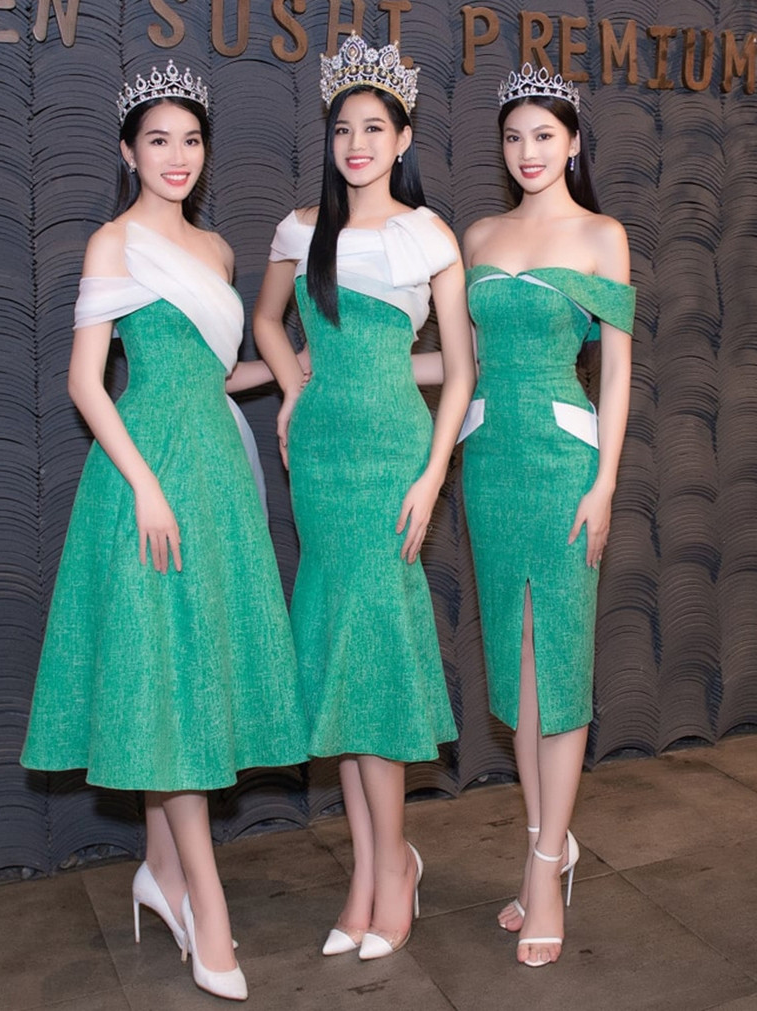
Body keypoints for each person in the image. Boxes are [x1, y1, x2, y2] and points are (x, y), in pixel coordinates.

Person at [20, 60, 309, 1001]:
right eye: (158, 140)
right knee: (165, 672)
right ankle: (207, 908)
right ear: (127, 150)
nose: (176, 156)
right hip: (145, 476)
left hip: (218, 472)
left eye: (190, 140)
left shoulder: (219, 251)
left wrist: (292, 368)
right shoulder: (113, 242)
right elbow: (85, 381)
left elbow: (210, 375)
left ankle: (160, 870)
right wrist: (144, 485)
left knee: (182, 669)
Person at [253, 35, 475, 961]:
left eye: (374, 128)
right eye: (344, 128)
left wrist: (432, 474)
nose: (357, 144)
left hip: (393, 459)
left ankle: (393, 871)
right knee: (340, 665)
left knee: (376, 665)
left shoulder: (429, 235)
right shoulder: (300, 230)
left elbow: (461, 370)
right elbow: (267, 321)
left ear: (403, 137)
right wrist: (292, 391)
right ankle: (367, 873)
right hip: (321, 462)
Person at [461, 64, 635, 968]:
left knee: (558, 662)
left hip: (566, 463)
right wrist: (323, 374)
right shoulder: (480, 234)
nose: (527, 151)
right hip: (489, 461)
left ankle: (541, 869)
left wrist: (604, 484)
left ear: (571, 143)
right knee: (518, 663)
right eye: (513, 136)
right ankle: (547, 843)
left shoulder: (603, 236)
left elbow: (619, 371)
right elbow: (460, 365)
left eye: (543, 135)